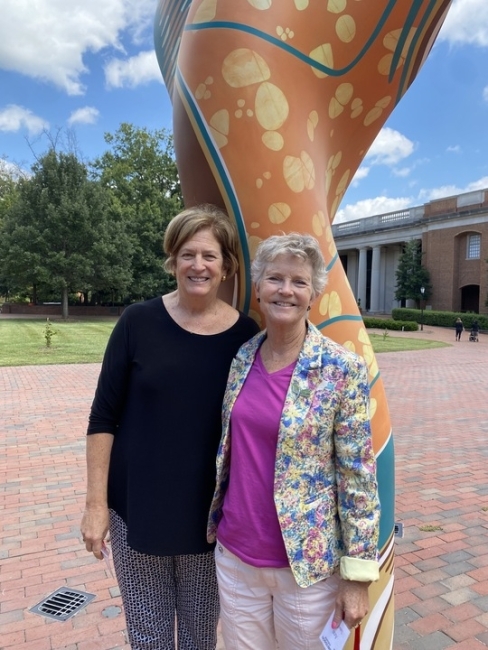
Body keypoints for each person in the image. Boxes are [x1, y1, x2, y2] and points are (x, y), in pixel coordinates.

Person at [80, 204, 259, 650]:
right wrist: (95, 505)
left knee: (200, 636)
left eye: (210, 256)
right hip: (135, 508)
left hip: (209, 517)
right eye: (187, 254)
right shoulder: (137, 323)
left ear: (226, 267)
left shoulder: (247, 336)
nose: (198, 265)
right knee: (147, 635)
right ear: (173, 260)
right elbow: (103, 418)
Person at [207, 233, 380, 650]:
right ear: (259, 288)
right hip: (236, 558)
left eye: (299, 282)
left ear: (313, 294)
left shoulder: (342, 369)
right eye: (275, 279)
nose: (285, 290)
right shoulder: (243, 357)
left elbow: (357, 477)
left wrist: (357, 578)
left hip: (306, 568)